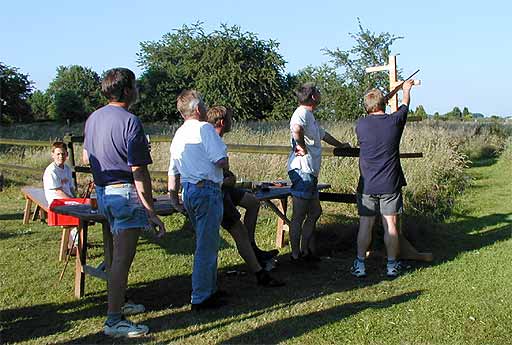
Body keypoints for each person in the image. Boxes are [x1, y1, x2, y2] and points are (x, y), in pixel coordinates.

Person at [83, 68, 166, 338]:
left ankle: (119, 302)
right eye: (135, 85)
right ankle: (114, 320)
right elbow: (139, 171)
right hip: (124, 194)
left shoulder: (93, 118)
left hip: (104, 193)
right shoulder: (131, 121)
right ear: (128, 90)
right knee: (121, 260)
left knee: (114, 254)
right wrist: (150, 210)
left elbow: (86, 157)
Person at [206, 106, 284, 287]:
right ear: (223, 122)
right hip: (218, 191)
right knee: (237, 229)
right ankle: (258, 269)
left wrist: (230, 177)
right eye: (231, 118)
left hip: (224, 187)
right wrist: (229, 179)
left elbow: (224, 171)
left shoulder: (216, 139)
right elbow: (217, 174)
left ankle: (252, 246)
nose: (233, 121)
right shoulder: (212, 140)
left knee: (253, 202)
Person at [168, 90, 229, 311]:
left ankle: (209, 289)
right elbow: (220, 159)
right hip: (207, 190)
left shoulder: (178, 135)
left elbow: (173, 170)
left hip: (190, 191)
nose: (204, 107)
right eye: (202, 104)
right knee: (206, 245)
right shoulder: (205, 129)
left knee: (205, 242)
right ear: (197, 109)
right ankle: (201, 297)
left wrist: (174, 197)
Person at [351, 79, 415, 278]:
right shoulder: (394, 122)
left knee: (365, 225)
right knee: (391, 225)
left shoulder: (360, 125)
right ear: (383, 103)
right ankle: (391, 265)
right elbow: (405, 106)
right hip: (390, 182)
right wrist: (405, 89)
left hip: (367, 184)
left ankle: (360, 264)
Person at [287, 83, 350, 264]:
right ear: (313, 97)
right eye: (318, 92)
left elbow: (323, 135)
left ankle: (306, 251)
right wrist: (301, 147)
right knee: (298, 215)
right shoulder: (300, 114)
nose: (320, 94)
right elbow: (296, 129)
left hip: (310, 172)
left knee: (315, 211)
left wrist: (340, 145)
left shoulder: (309, 115)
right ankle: (296, 255)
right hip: (303, 170)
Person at [43, 141, 77, 260]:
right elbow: (58, 191)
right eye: (58, 154)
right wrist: (74, 202)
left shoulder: (67, 169)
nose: (61, 157)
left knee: (83, 210)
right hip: (56, 202)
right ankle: (76, 246)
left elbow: (71, 188)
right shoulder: (51, 171)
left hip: (66, 200)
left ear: (67, 154)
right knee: (78, 216)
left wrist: (77, 198)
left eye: (63, 154)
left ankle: (76, 243)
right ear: (53, 154)